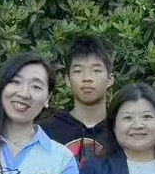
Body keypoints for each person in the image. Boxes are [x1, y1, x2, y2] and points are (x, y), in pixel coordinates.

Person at [40, 35, 116, 165]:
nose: (87, 78)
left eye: (96, 70)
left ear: (110, 79)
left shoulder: (121, 130)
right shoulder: (45, 131)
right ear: (67, 80)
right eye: (78, 71)